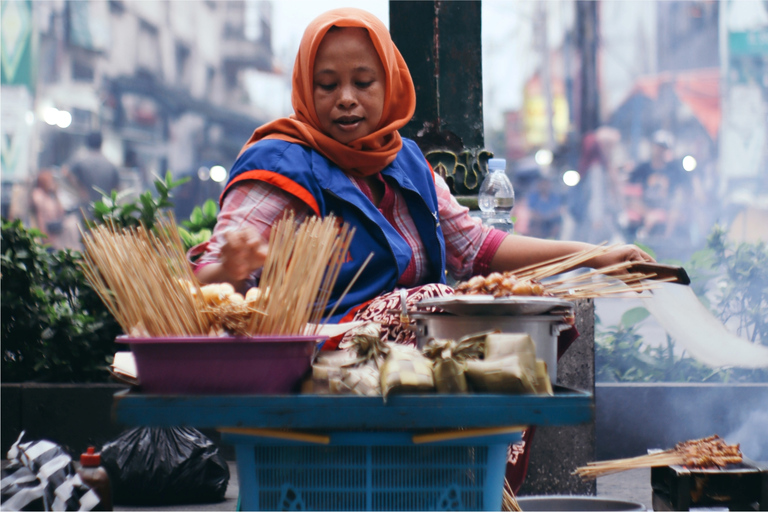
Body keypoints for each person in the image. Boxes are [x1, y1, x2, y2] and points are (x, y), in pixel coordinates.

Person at [192, 7, 652, 323]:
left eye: (364, 81)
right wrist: (228, 270)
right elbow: (205, 281)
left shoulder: (406, 160)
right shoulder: (279, 163)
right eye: (327, 85)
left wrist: (597, 257)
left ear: (389, 84)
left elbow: (474, 246)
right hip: (314, 375)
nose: (346, 98)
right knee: (434, 301)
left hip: (413, 366)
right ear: (305, 91)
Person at [65, 131, 121, 217]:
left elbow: (65, 171)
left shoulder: (82, 160)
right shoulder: (110, 164)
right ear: (101, 143)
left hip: (86, 206)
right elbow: (117, 187)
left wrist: (80, 189)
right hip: (104, 208)